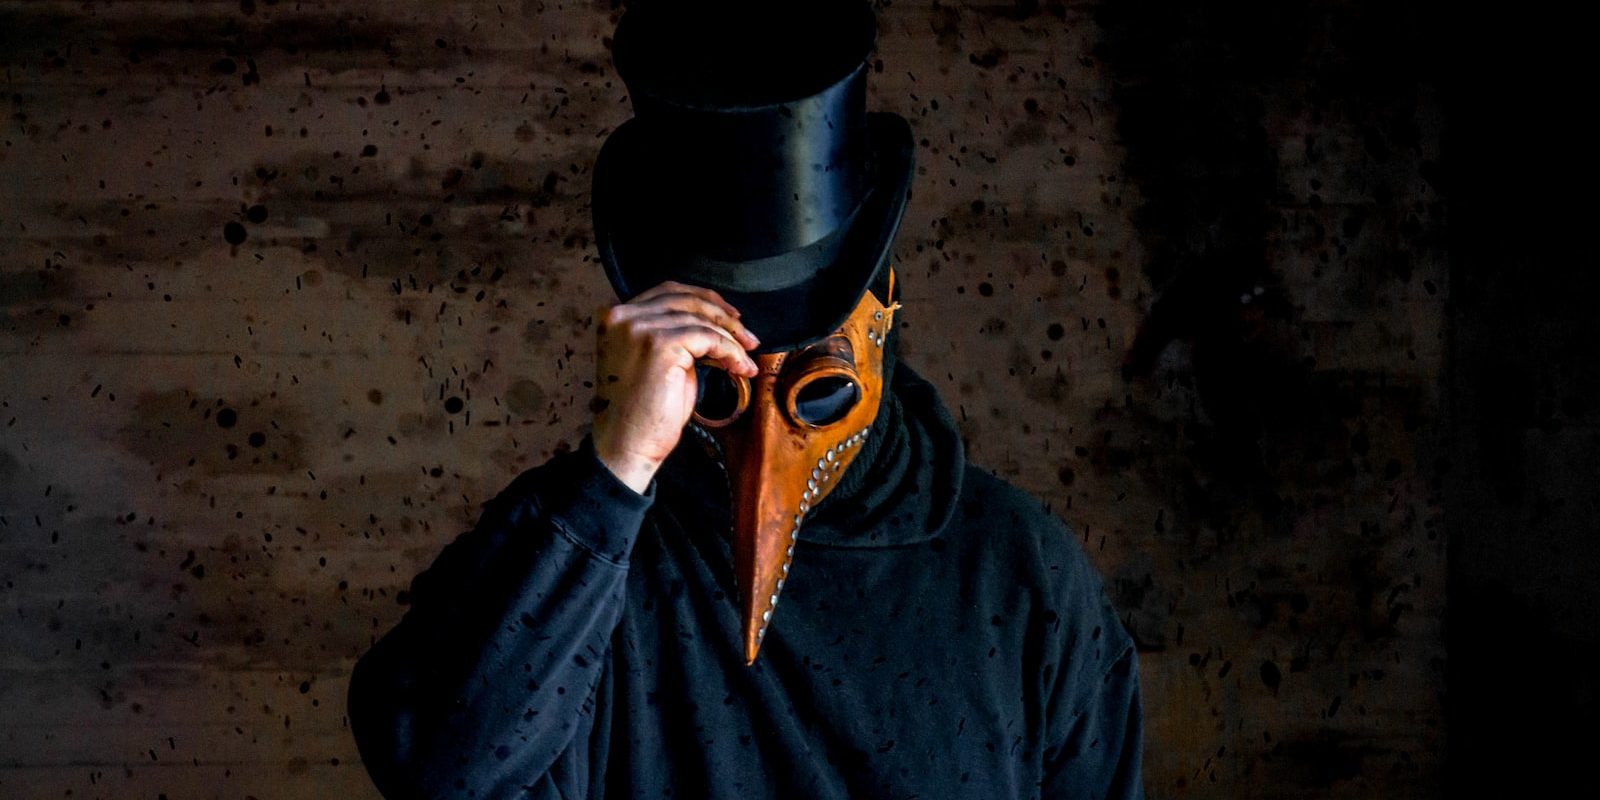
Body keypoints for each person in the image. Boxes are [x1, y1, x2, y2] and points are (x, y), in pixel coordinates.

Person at [347, 2, 1144, 797]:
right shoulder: (573, 575)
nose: (765, 452)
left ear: (883, 322)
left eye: (815, 388)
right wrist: (612, 475)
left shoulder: (1021, 577)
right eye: (720, 386)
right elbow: (439, 772)